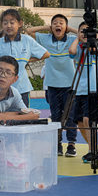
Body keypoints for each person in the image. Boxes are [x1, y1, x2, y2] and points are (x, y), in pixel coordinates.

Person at [26, 14, 78, 157]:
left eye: (61, 23)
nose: (57, 25)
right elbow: (28, 31)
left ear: (66, 27)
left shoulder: (73, 40)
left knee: (70, 116)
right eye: (55, 23)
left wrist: (69, 29)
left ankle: (71, 145)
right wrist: (46, 27)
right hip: (52, 85)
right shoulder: (46, 39)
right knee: (56, 116)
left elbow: (81, 33)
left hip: (69, 85)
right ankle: (58, 144)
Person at [0, 8, 49, 107]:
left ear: (20, 23)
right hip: (2, 88)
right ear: (2, 25)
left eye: (12, 22)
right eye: (5, 23)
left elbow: (46, 54)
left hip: (22, 87)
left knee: (22, 115)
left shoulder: (27, 40)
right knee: (4, 117)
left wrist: (28, 60)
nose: (9, 26)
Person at [68, 22, 98, 164]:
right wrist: (77, 38)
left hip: (94, 89)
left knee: (87, 120)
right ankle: (93, 148)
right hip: (80, 90)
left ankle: (93, 150)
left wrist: (93, 41)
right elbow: (71, 52)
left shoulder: (97, 49)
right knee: (79, 121)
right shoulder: (77, 48)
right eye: (82, 31)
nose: (85, 34)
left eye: (88, 31)